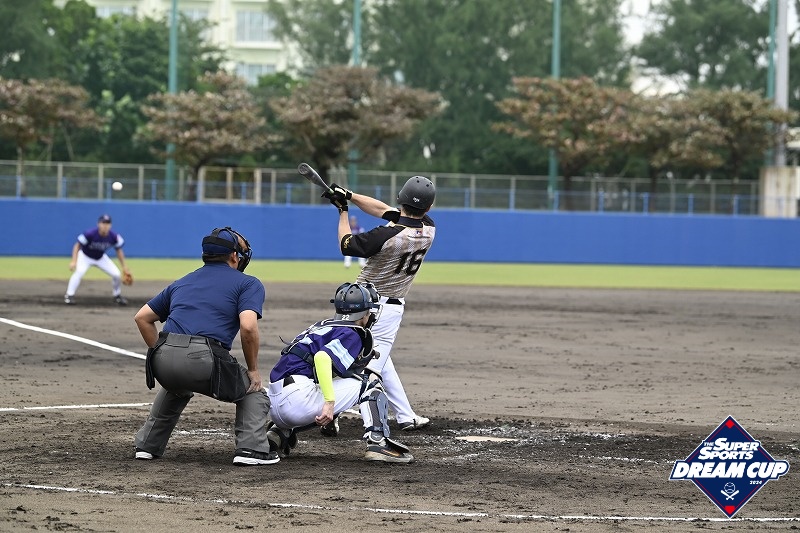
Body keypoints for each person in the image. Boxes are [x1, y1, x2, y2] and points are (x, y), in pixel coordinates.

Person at [132, 227, 277, 466]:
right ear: (234, 256)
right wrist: (253, 370)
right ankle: (251, 450)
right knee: (254, 393)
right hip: (204, 357)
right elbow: (248, 327)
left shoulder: (183, 282)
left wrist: (161, 350)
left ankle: (147, 445)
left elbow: (142, 318)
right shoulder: (248, 283)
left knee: (176, 388)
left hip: (162, 358)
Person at [322, 176, 436, 433]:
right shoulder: (429, 228)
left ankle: (404, 415)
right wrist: (349, 195)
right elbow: (383, 210)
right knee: (372, 364)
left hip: (358, 304)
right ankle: (368, 419)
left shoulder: (385, 235)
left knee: (369, 361)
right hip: (387, 308)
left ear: (400, 199)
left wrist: (343, 210)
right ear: (428, 208)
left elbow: (346, 244)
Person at [266, 282, 414, 463]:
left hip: (276, 405)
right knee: (370, 382)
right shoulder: (352, 333)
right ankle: (378, 443)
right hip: (298, 401)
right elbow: (322, 358)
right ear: (365, 313)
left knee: (334, 381)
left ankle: (279, 433)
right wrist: (329, 403)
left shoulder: (322, 326)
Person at [65, 214, 131, 305]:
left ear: (110, 225)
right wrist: (74, 261)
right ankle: (69, 295)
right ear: (98, 224)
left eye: (107, 223)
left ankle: (117, 296)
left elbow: (119, 250)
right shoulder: (90, 234)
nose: (105, 225)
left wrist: (124, 267)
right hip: (85, 256)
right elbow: (77, 246)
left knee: (116, 274)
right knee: (79, 272)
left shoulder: (114, 237)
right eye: (103, 223)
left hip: (100, 257)